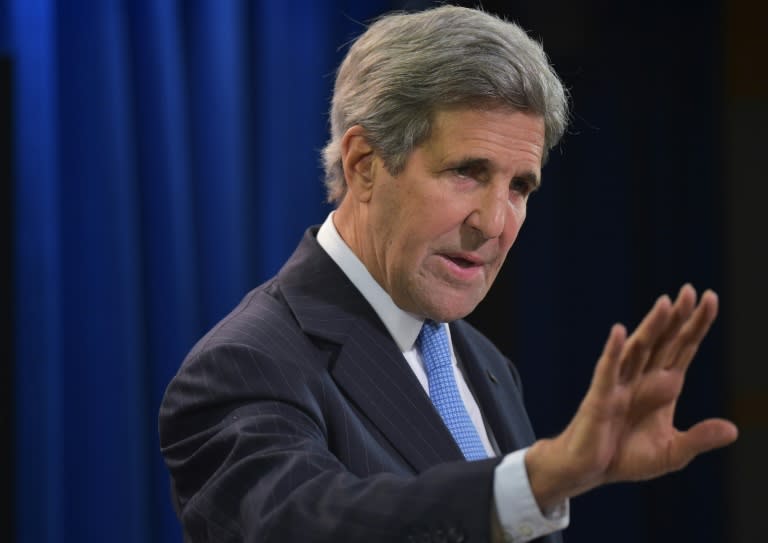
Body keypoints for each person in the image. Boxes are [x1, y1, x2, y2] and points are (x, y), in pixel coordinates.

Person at [159, 6, 738, 542]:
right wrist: (538, 478)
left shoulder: (484, 365)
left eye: (520, 187)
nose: (494, 222)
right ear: (364, 164)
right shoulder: (246, 364)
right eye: (467, 172)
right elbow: (306, 525)